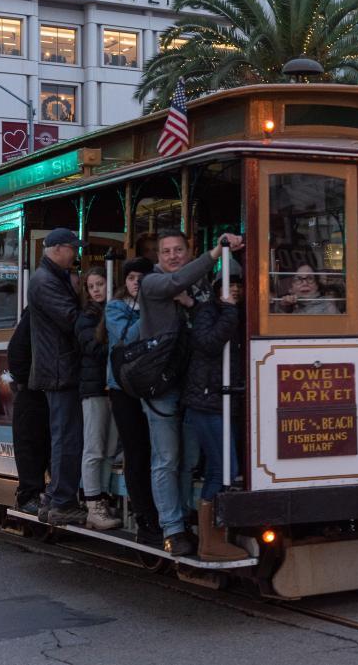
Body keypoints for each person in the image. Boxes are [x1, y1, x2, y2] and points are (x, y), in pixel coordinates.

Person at [139, 229, 244, 556]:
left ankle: (186, 517)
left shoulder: (197, 285)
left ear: (188, 251)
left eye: (178, 250)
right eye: (166, 251)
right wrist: (215, 254)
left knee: (189, 459)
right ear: (158, 257)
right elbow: (176, 283)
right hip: (161, 385)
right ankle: (172, 529)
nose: (172, 256)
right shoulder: (152, 283)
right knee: (167, 458)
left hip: (191, 385)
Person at [182, 271, 248, 561]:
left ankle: (212, 538)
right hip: (207, 402)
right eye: (228, 285)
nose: (234, 290)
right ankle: (210, 541)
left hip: (226, 402)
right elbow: (208, 343)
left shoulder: (240, 313)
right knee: (224, 469)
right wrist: (230, 311)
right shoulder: (208, 312)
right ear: (217, 288)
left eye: (238, 285)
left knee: (218, 470)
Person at [28, 228, 87, 526]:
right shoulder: (45, 281)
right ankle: (62, 500)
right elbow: (70, 318)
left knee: (62, 434)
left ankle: (53, 499)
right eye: (72, 249)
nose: (75, 254)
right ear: (58, 249)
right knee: (67, 435)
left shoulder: (48, 278)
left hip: (57, 368)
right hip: (60, 369)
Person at [105, 257, 162, 546]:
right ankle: (143, 515)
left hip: (153, 386)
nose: (136, 282)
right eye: (131, 278)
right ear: (124, 282)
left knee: (155, 451)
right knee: (135, 450)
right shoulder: (115, 308)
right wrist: (152, 311)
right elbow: (126, 338)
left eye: (142, 277)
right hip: (123, 388)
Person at [75, 266, 121, 531]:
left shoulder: (117, 310)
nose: (96, 290)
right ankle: (93, 503)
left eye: (100, 284)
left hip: (114, 387)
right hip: (93, 389)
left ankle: (102, 497)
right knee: (94, 446)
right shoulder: (86, 318)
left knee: (111, 447)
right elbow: (91, 347)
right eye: (91, 286)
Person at [8, 307, 50, 516]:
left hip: (42, 389)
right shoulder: (34, 315)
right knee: (30, 443)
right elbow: (15, 353)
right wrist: (29, 381)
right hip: (33, 391)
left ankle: (37, 493)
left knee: (43, 443)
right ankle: (28, 494)